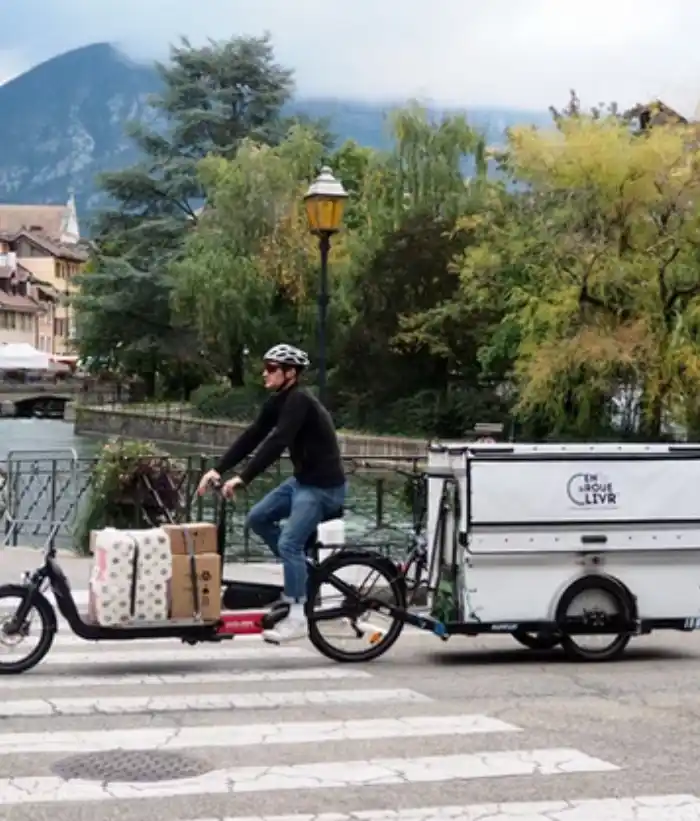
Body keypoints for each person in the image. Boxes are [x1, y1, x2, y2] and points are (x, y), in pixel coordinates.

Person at [197, 343, 347, 644]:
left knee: (290, 544)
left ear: (290, 373)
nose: (264, 374)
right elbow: (253, 435)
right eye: (264, 368)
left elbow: (278, 441)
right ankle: (301, 576)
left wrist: (243, 478)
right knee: (258, 518)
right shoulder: (279, 401)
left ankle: (296, 615)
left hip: (323, 488)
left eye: (271, 369)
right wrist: (219, 468)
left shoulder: (301, 401)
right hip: (302, 482)